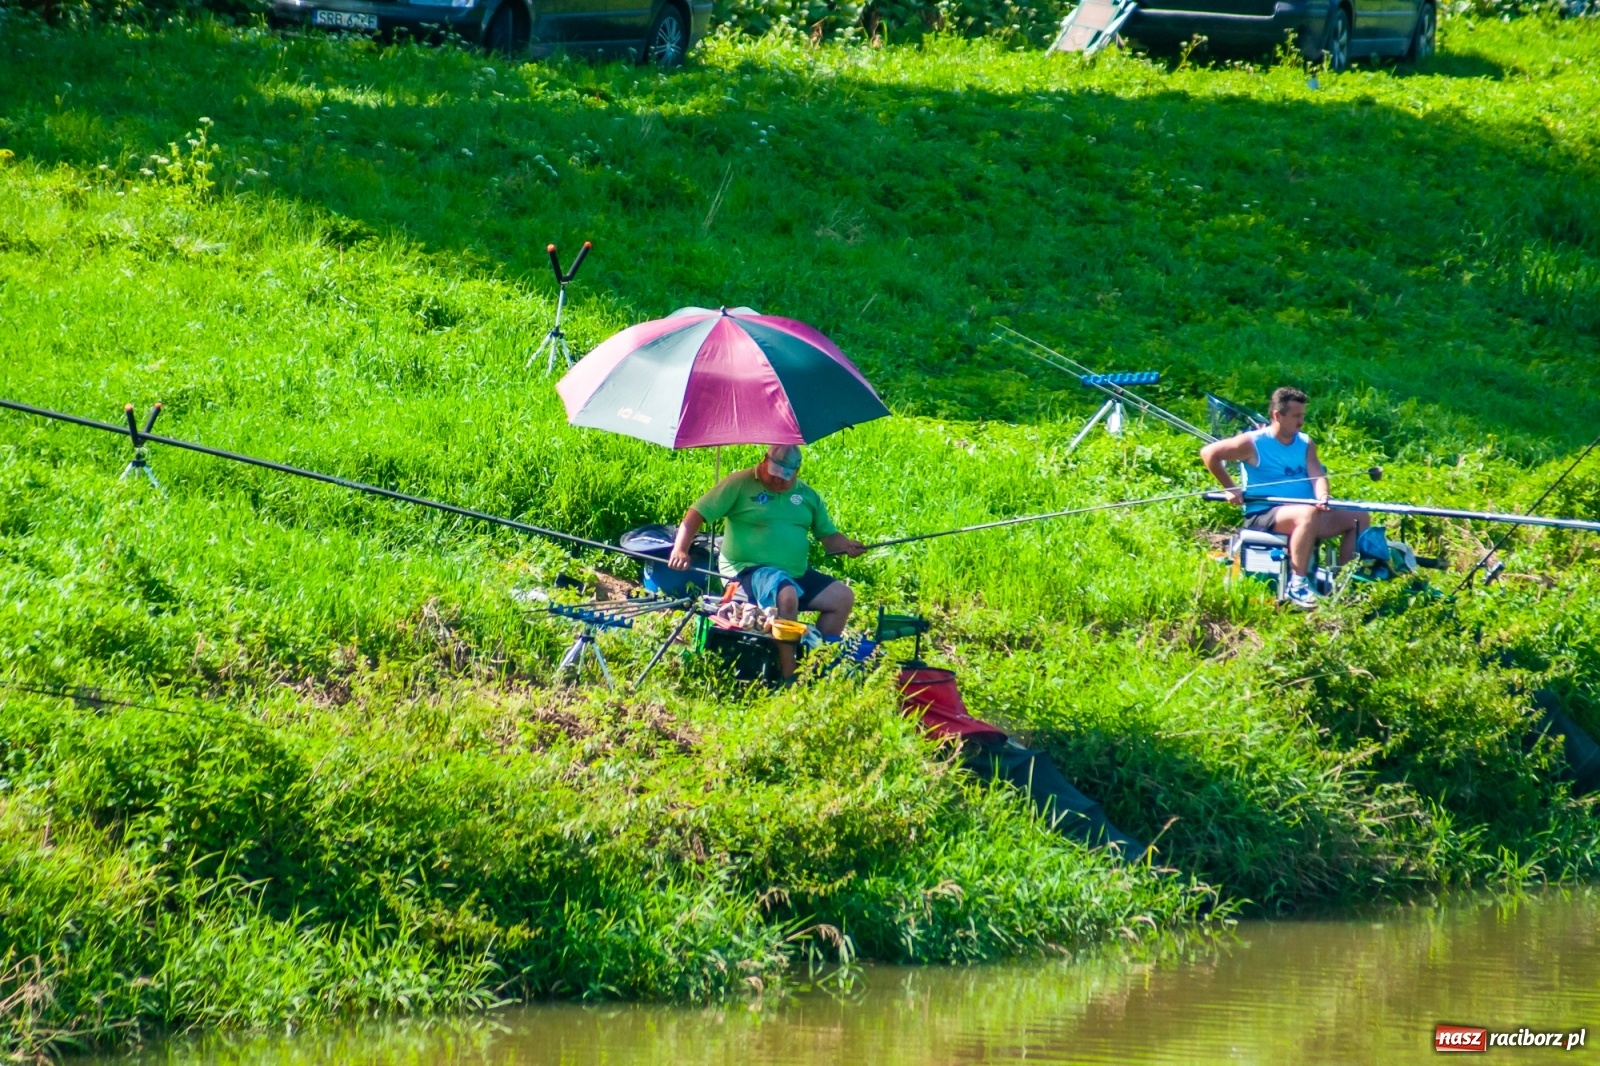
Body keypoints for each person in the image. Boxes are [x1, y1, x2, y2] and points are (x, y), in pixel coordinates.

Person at [668, 444, 865, 677]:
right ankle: (789, 675)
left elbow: (829, 538)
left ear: (797, 472)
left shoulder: (807, 496)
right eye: (773, 475)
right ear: (764, 462)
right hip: (746, 572)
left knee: (842, 597)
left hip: (795, 572)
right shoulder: (739, 483)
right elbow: (696, 513)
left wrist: (846, 545)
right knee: (786, 593)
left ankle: (815, 666)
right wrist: (680, 549)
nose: (777, 482)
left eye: (784, 478)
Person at [1199, 386, 1369, 610]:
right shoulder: (1253, 442)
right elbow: (1209, 453)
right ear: (1277, 415)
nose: (1301, 422)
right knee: (1306, 514)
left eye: (1303, 416)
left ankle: (1346, 584)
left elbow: (1317, 474)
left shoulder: (1305, 443)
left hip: (1307, 514)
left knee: (1359, 517)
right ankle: (1297, 584)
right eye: (1296, 416)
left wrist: (1323, 496)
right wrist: (1230, 488)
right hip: (1265, 514)